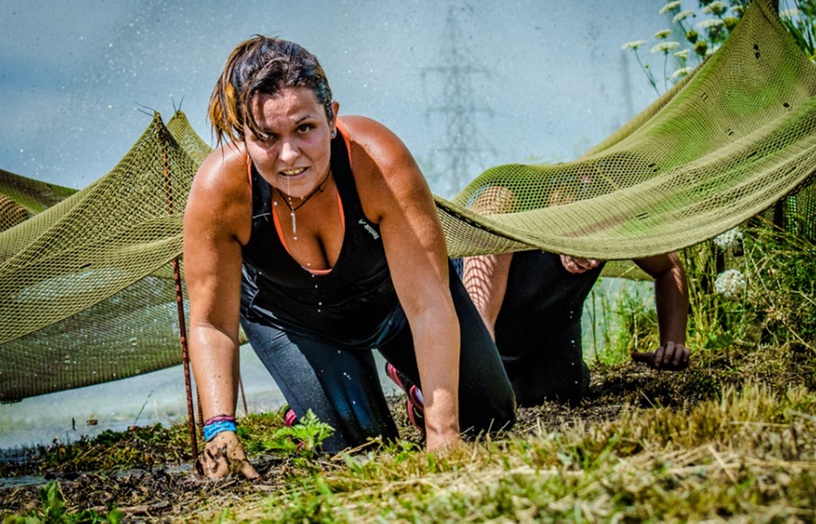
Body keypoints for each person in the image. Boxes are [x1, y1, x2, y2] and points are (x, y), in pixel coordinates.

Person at [183, 36, 515, 479]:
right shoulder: (220, 190)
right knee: (363, 453)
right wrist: (219, 429)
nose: (288, 156)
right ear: (245, 135)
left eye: (305, 128)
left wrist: (442, 435)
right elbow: (212, 323)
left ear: (332, 117)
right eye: (266, 136)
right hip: (295, 323)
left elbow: (429, 302)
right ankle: (310, 404)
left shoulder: (376, 160)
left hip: (396, 303)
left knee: (490, 418)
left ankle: (414, 386)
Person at [458, 182, 689, 407]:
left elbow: (669, 267)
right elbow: (477, 315)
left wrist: (672, 344)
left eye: (603, 247)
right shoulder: (502, 205)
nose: (593, 261)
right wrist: (480, 382)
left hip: (548, 340)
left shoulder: (614, 215)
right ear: (562, 216)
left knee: (565, 388)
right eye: (584, 244)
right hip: (481, 335)